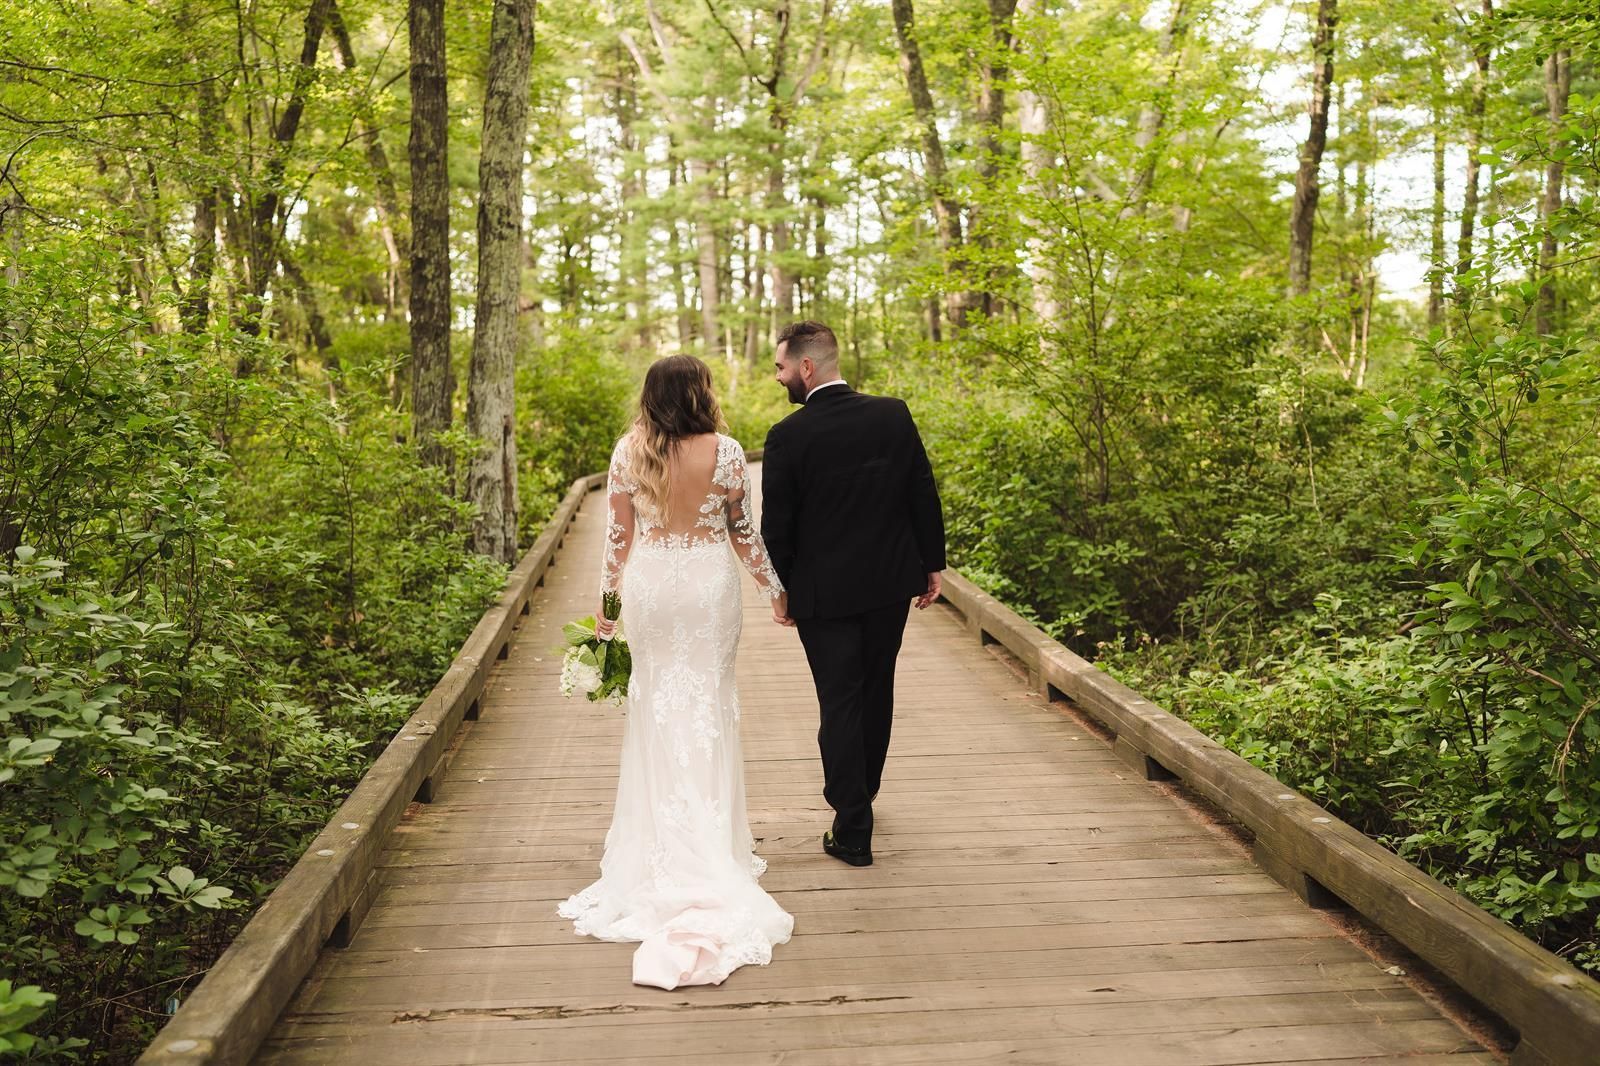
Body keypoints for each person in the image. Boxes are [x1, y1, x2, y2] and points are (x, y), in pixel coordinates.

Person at [557, 355, 794, 990]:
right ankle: (712, 838)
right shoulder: (728, 452)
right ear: (700, 392)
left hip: (652, 589)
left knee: (656, 703)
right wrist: (776, 589)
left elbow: (616, 543)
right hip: (710, 585)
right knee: (709, 703)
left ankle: (665, 843)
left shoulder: (628, 451)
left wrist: (606, 617)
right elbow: (744, 534)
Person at [760, 321, 946, 868]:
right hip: (891, 582)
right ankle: (863, 792)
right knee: (876, 687)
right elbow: (921, 491)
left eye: (781, 367)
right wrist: (931, 564)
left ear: (807, 367)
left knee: (839, 697)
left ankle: (852, 823)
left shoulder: (787, 436)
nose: (779, 377)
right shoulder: (893, 414)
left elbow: (779, 528)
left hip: (824, 595)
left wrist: (781, 590)